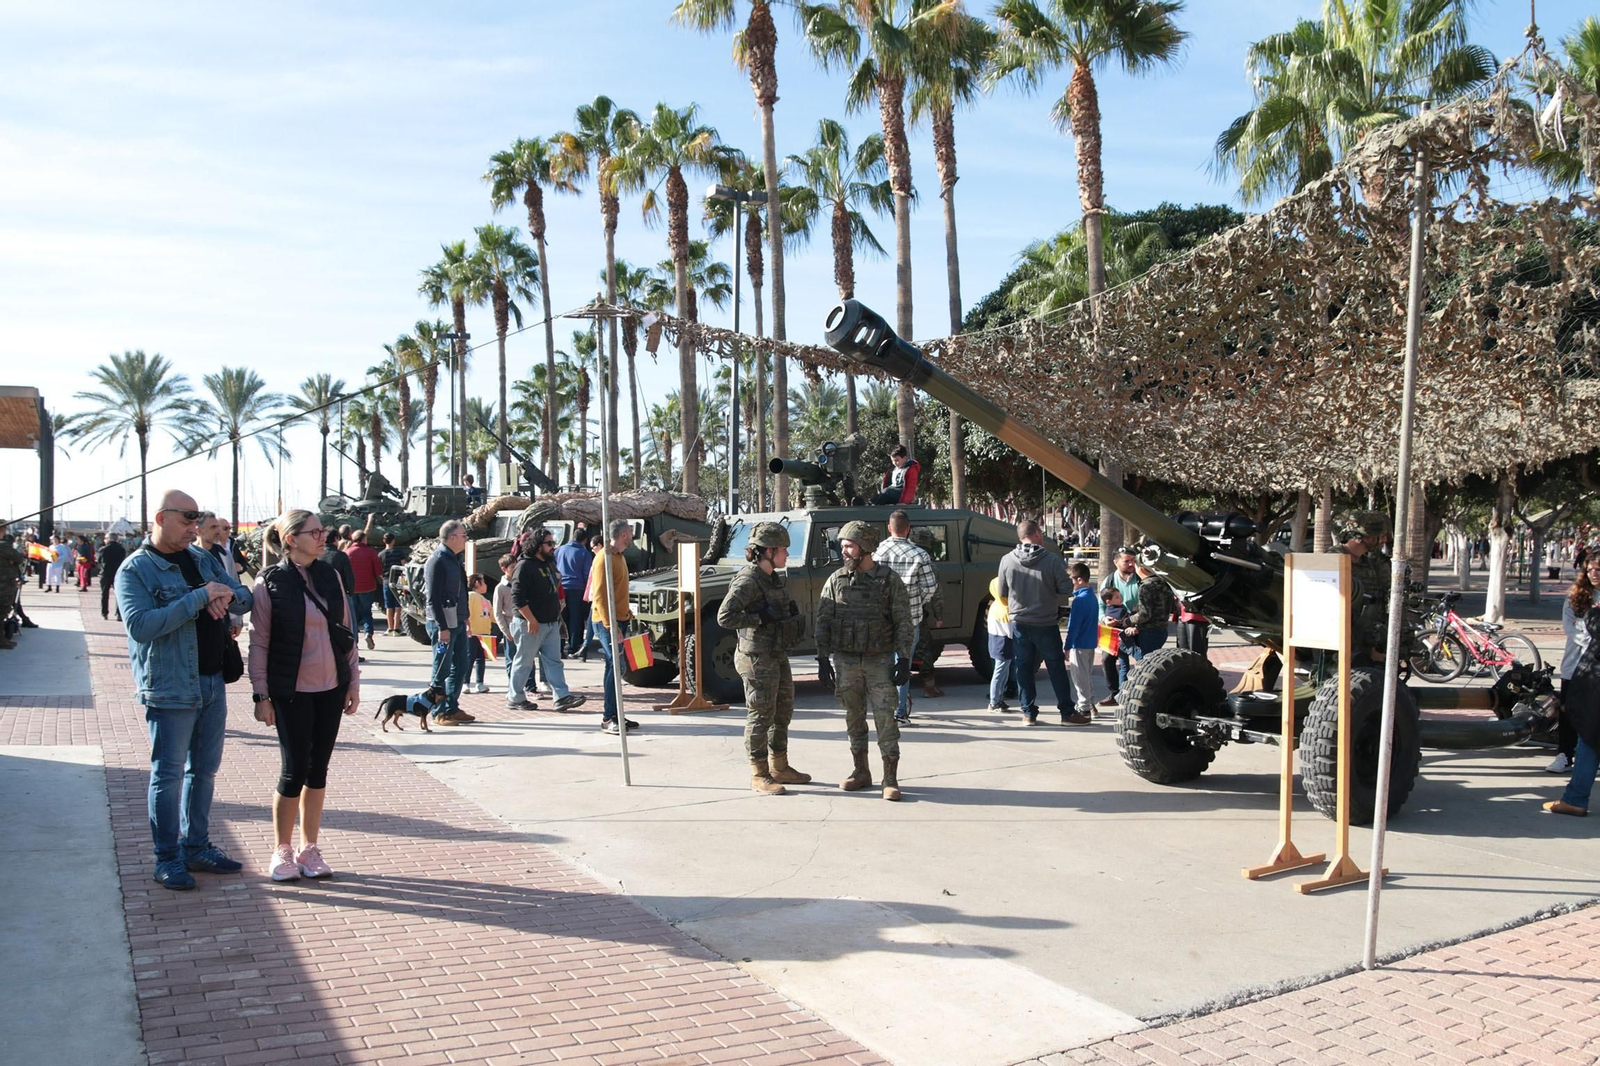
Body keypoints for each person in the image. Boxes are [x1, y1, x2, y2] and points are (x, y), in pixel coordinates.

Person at [116, 490, 253, 890]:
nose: (195, 528)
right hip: (171, 687)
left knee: (204, 771)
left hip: (212, 681)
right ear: (161, 518)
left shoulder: (202, 558)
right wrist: (199, 598)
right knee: (169, 774)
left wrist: (223, 596)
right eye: (187, 520)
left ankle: (198, 846)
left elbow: (242, 597)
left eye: (198, 520)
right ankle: (168, 857)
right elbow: (140, 626)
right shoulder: (136, 569)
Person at [248, 509, 361, 881]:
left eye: (323, 530)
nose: (322, 536)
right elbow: (260, 641)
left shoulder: (329, 575)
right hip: (291, 690)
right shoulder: (270, 582)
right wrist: (261, 694)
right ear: (290, 539)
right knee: (293, 770)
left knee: (318, 771)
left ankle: (309, 848)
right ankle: (282, 850)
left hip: (331, 687)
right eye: (314, 532)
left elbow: (346, 633)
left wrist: (353, 684)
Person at [816, 521, 912, 800]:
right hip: (845, 661)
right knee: (853, 717)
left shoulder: (888, 580)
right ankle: (861, 771)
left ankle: (890, 778)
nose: (844, 551)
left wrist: (904, 658)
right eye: (843, 545)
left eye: (849, 545)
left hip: (879, 660)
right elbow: (824, 619)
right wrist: (822, 658)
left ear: (866, 547)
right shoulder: (836, 580)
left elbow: (903, 621)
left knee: (885, 719)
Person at [718, 522, 808, 795]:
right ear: (768, 551)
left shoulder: (771, 578)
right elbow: (725, 616)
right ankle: (759, 774)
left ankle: (779, 766)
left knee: (783, 710)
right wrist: (759, 618)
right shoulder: (748, 580)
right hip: (756, 658)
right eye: (783, 550)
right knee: (760, 715)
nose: (786, 555)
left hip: (775, 652)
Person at [997, 519, 1086, 726]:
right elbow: (1065, 588)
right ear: (1037, 534)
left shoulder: (1007, 560)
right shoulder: (1051, 560)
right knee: (1055, 667)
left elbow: (1002, 591)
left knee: (1024, 668)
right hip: (1045, 622)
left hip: (1019, 622)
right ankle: (1067, 712)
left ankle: (1028, 713)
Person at [508, 528, 588, 713]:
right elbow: (517, 597)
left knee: (554, 661)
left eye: (553, 543)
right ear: (537, 546)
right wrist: (531, 619)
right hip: (531, 624)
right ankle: (515, 697)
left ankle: (561, 697)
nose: (553, 547)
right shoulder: (524, 566)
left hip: (551, 622)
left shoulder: (549, 564)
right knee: (524, 661)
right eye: (549, 543)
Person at [874, 511, 940, 724]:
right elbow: (930, 586)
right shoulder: (920, 554)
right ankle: (899, 712)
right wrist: (916, 600)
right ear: (908, 529)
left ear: (888, 527)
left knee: (883, 665)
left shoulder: (877, 554)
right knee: (903, 664)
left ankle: (882, 709)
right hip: (910, 620)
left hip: (881, 620)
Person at [1544, 563, 1600, 816]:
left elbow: (1592, 631)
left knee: (1589, 739)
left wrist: (1591, 617)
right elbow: (1573, 631)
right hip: (1578, 670)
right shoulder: (1577, 596)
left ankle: (1576, 798)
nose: (1594, 573)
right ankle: (1564, 759)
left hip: (1592, 676)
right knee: (1584, 733)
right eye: (1590, 569)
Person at [588, 519, 638, 733]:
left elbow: (617, 590)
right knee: (616, 666)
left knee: (616, 666)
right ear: (623, 534)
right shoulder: (604, 558)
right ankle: (609, 717)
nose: (633, 535)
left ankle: (616, 714)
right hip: (606, 622)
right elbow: (599, 596)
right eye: (630, 532)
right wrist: (611, 625)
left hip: (620, 619)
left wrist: (626, 614)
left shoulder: (619, 556)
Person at [423, 520, 474, 725]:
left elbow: (462, 589)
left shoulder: (455, 558)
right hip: (443, 624)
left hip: (458, 620)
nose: (466, 539)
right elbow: (432, 598)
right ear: (452, 537)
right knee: (441, 668)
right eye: (463, 535)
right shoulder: (437, 560)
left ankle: (452, 707)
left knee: (461, 666)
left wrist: (466, 615)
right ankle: (438, 711)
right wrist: (442, 627)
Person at [1096, 548, 1141, 709]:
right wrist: (1104, 619)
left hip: (1135, 628)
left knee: (1141, 660)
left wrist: (1135, 623)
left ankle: (1139, 695)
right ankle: (1115, 693)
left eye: (1133, 560)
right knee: (1107, 660)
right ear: (1116, 562)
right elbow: (1100, 606)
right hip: (1113, 631)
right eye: (1127, 561)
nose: (1131, 564)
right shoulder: (1109, 582)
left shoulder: (1141, 579)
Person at [1063, 562, 1099, 721]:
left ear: (1079, 580)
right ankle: (1090, 704)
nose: (1069, 583)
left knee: (1079, 677)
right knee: (1086, 674)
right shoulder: (1091, 596)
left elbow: (1073, 626)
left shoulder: (1079, 600)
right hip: (1090, 641)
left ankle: (1084, 707)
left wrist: (1067, 645)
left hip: (1079, 643)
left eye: (1071, 579)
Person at [556, 523, 594, 657]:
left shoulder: (559, 550)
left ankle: (560, 647)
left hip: (560, 588)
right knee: (575, 618)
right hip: (577, 589)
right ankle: (573, 646)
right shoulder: (584, 553)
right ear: (585, 540)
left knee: (561, 618)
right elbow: (587, 574)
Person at [1124, 561, 1176, 660]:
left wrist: (1127, 621)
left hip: (1148, 633)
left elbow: (1144, 614)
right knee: (1152, 660)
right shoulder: (1165, 584)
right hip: (1162, 630)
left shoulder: (1146, 586)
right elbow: (1172, 608)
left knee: (1145, 663)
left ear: (1141, 569)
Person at [344, 529, 384, 651]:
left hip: (352, 588)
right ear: (363, 539)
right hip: (368, 587)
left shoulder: (347, 552)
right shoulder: (371, 552)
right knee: (367, 613)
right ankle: (368, 633)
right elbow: (378, 571)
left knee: (353, 615)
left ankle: (354, 640)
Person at [985, 578, 1014, 713]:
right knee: (999, 674)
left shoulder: (994, 605)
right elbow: (1011, 632)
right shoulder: (1005, 610)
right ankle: (994, 702)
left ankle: (998, 698)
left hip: (994, 641)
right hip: (1004, 644)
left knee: (1003, 673)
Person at [493, 553, 517, 692]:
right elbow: (497, 612)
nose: (515, 570)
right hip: (509, 625)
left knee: (527, 658)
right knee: (511, 659)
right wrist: (506, 631)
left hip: (523, 625)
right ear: (504, 569)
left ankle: (529, 686)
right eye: (512, 567)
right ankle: (512, 687)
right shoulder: (500, 588)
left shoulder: (520, 583)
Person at [0, 520, 24, 650]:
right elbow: (19, 558)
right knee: (2, 611)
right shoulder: (3, 546)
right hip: (3, 584)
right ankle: (1, 640)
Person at [379, 532, 407, 636]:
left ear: (384, 541)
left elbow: (379, 570)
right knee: (398, 605)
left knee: (388, 605)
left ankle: (389, 628)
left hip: (386, 581)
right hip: (398, 581)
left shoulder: (381, 554)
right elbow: (404, 566)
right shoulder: (399, 553)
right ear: (393, 541)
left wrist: (383, 578)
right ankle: (396, 628)